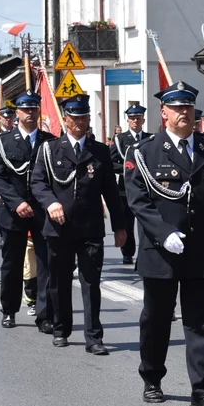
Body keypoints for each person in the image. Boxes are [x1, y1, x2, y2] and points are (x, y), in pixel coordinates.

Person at [125, 82, 204, 406]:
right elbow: (138, 201)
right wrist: (163, 233)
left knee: (200, 323)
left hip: (201, 251)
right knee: (157, 319)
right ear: (163, 113)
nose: (184, 113)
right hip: (160, 252)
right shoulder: (144, 153)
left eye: (189, 108)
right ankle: (152, 377)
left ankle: (202, 393)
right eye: (177, 108)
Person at [32, 95, 128, 354]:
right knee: (59, 281)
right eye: (75, 118)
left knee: (91, 283)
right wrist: (50, 203)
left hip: (90, 228)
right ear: (65, 119)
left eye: (84, 117)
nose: (80, 122)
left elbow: (110, 191)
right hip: (59, 228)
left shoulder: (99, 151)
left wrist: (119, 226)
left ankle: (94, 337)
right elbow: (38, 183)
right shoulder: (50, 149)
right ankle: (61, 328)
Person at [0, 92, 56, 332]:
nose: (30, 113)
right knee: (12, 263)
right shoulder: (2, 141)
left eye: (33, 109)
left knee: (45, 264)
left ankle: (44, 315)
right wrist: (17, 202)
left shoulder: (50, 141)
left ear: (39, 112)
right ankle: (9, 310)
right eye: (25, 109)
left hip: (42, 212)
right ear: (16, 112)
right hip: (12, 212)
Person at [108, 104, 151, 264]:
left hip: (146, 187)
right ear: (128, 121)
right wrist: (128, 168)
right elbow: (111, 162)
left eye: (138, 118)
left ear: (143, 120)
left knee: (146, 221)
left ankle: (145, 252)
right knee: (127, 221)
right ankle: (127, 252)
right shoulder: (119, 139)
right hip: (125, 187)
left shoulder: (150, 138)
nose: (135, 121)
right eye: (132, 118)